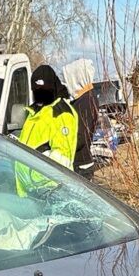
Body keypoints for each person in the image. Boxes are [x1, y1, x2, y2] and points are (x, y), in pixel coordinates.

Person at [16, 64, 78, 194]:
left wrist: (38, 184)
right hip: (28, 191)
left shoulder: (61, 113)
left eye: (44, 90)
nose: (40, 94)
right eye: (36, 90)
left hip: (47, 192)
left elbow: (62, 159)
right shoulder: (34, 111)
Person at [62, 59, 101, 179]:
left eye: (68, 79)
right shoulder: (82, 99)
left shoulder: (86, 101)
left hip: (81, 166)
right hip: (79, 163)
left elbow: (80, 136)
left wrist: (60, 138)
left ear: (76, 77)